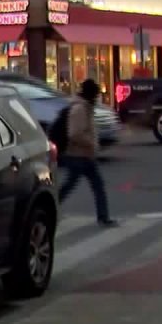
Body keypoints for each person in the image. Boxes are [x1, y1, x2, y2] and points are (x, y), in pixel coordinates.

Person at [59, 79, 117, 227]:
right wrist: (91, 144)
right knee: (74, 186)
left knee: (84, 185)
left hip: (84, 155)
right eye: (96, 94)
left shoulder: (85, 107)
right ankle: (103, 218)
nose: (97, 98)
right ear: (90, 94)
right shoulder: (80, 109)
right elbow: (75, 134)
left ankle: (103, 217)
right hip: (77, 155)